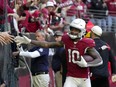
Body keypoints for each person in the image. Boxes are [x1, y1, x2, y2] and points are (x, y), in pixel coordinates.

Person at [14, 18, 103, 87]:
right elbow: (47, 45)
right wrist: (29, 41)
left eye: (77, 30)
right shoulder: (66, 39)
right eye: (72, 28)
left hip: (84, 78)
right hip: (71, 77)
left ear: (82, 31)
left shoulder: (86, 43)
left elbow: (99, 59)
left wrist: (87, 64)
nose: (73, 31)